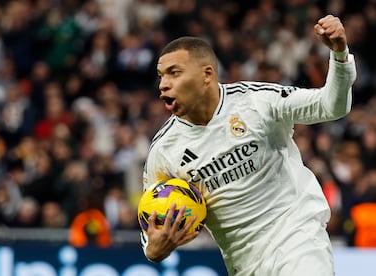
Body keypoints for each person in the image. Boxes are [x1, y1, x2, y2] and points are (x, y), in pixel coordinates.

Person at [140, 15, 356, 276]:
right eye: (161, 75)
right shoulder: (164, 150)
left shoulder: (257, 103)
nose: (163, 84)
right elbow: (149, 220)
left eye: (174, 73)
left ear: (207, 74)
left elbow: (331, 105)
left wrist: (339, 54)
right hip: (244, 264)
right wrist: (153, 249)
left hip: (297, 237)